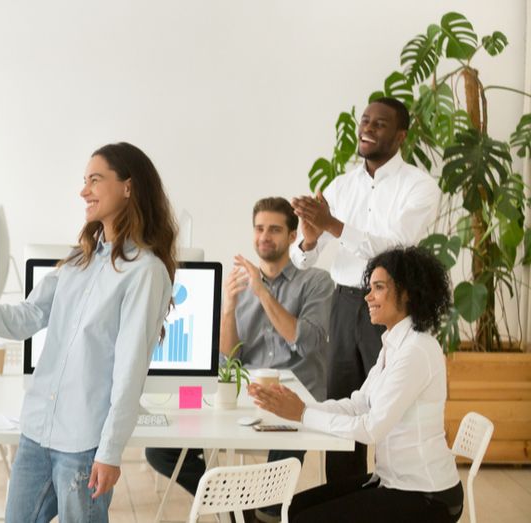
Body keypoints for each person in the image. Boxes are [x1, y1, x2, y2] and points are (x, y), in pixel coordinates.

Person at [0, 142, 175, 522]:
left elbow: (130, 373)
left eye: (95, 180)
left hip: (84, 447)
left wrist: (110, 453)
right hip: (37, 435)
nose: (84, 191)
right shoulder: (79, 261)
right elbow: (23, 318)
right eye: (84, 181)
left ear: (128, 187)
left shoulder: (145, 272)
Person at [145, 196, 332, 522]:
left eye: (274, 229)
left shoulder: (316, 282)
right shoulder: (238, 284)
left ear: (291, 236)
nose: (264, 236)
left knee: (287, 436)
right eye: (259, 228)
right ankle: (234, 507)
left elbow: (307, 342)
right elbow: (225, 361)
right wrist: (229, 306)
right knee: (159, 450)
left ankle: (268, 513)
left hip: (295, 398)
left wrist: (262, 292)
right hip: (245, 397)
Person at [249, 246, 463, 523]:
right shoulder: (393, 345)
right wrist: (300, 408)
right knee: (290, 511)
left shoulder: (416, 351)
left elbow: (371, 428)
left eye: (379, 287)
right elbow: (358, 404)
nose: (368, 296)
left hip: (428, 495)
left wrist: (301, 414)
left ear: (407, 293)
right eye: (369, 287)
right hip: (391, 481)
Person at [290, 97, 441, 481]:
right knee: (343, 399)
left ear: (401, 135)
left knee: (391, 407)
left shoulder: (419, 186)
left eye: (380, 124)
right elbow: (303, 258)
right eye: (366, 121)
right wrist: (309, 238)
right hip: (343, 305)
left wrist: (334, 225)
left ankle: (395, 491)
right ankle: (344, 498)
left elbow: (395, 248)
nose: (368, 129)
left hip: (391, 305)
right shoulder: (340, 186)